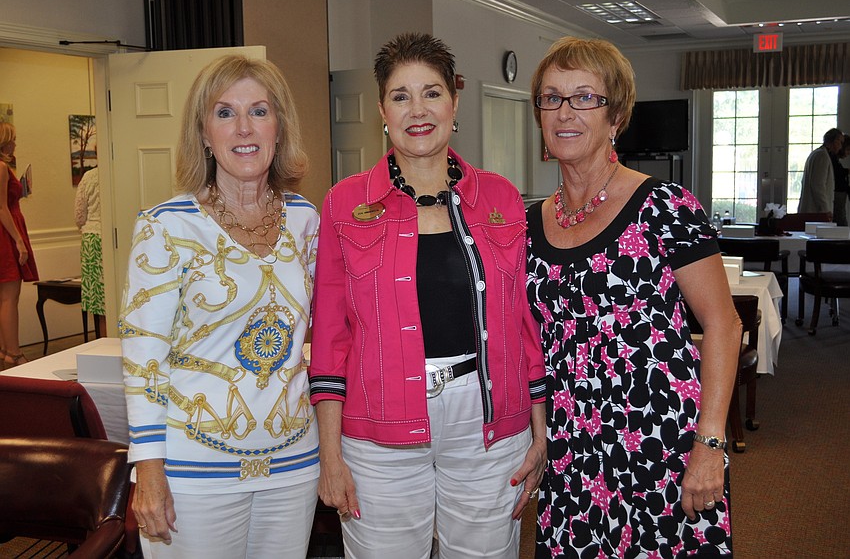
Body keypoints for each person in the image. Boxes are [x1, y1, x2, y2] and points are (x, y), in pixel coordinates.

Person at [308, 32, 546, 559]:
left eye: (432, 92)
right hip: (378, 430)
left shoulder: (501, 197)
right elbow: (330, 335)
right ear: (382, 111)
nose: (418, 110)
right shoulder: (345, 203)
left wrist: (539, 424)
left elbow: (524, 321)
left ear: (454, 102)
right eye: (401, 95)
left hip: (487, 420)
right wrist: (330, 453)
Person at [526, 36, 741, 558]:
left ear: (616, 114)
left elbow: (723, 324)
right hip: (573, 451)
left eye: (584, 97)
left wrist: (710, 444)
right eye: (551, 98)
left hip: (661, 444)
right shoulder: (529, 223)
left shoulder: (665, 205)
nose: (565, 112)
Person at [120, 54, 319, 558]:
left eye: (259, 110)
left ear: (279, 126)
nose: (244, 127)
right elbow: (144, 360)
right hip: (194, 470)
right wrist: (148, 470)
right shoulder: (166, 227)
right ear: (204, 134)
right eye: (225, 113)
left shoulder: (306, 219)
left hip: (293, 461)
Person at [0, 122, 38, 368]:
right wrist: (19, 241)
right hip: (6, 234)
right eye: (13, 139)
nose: (15, 143)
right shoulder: (2, 167)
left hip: (7, 230)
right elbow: (1, 208)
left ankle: (5, 350)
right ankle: (13, 353)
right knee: (8, 298)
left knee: (4, 297)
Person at [74, 167, 107, 337]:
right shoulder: (121, 172)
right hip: (116, 238)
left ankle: (102, 344)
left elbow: (79, 215)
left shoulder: (89, 176)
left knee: (100, 304)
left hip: (92, 240)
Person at [799, 128, 844, 217]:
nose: (841, 147)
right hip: (816, 211)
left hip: (812, 210)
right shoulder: (822, 156)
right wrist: (825, 210)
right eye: (841, 142)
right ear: (835, 141)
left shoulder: (817, 154)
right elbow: (818, 185)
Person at [831, 133, 849, 226]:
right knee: (840, 218)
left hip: (840, 194)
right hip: (838, 194)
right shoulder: (833, 160)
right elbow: (838, 175)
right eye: (848, 150)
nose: (848, 153)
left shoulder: (835, 160)